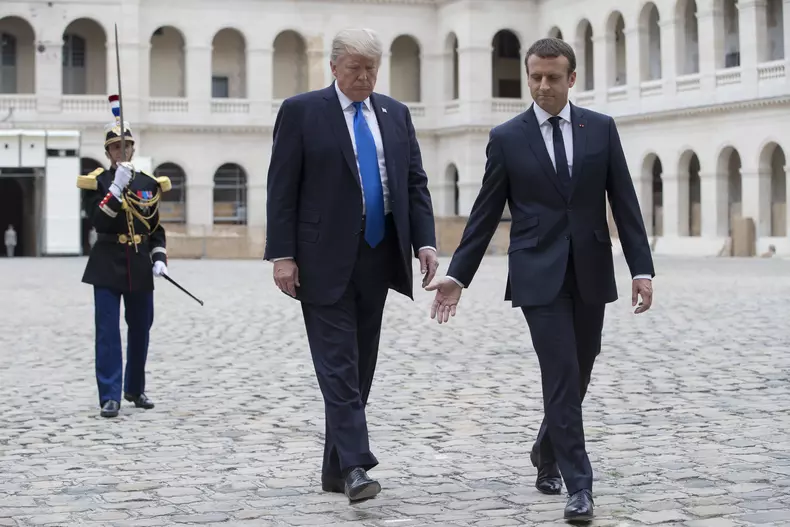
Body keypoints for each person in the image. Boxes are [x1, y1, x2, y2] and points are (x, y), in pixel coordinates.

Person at [426, 38, 655, 522]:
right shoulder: (507, 137)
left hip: (590, 267)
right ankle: (580, 486)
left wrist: (641, 268)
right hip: (536, 272)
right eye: (536, 77)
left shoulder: (601, 129)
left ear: (572, 79)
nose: (543, 85)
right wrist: (458, 276)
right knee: (561, 371)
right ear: (528, 77)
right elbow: (485, 213)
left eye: (553, 77)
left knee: (583, 363)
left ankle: (545, 451)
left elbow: (626, 203)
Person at [264, 28, 438, 502]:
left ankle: (333, 470)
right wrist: (282, 254)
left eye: (371, 69)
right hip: (320, 258)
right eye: (355, 68)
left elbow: (414, 183)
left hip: (378, 255)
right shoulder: (302, 112)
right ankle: (358, 466)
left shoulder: (395, 114)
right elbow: (281, 188)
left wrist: (424, 242)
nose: (364, 77)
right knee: (338, 365)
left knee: (360, 368)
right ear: (334, 68)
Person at [76, 95, 172, 419]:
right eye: (115, 147)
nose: (121, 151)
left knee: (141, 328)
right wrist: (115, 190)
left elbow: (155, 227)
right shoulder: (97, 183)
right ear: (108, 153)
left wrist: (159, 256)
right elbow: (99, 221)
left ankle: (134, 387)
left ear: (133, 147)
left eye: (125, 145)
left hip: (139, 263)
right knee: (107, 331)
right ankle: (109, 395)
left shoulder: (148, 183)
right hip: (105, 262)